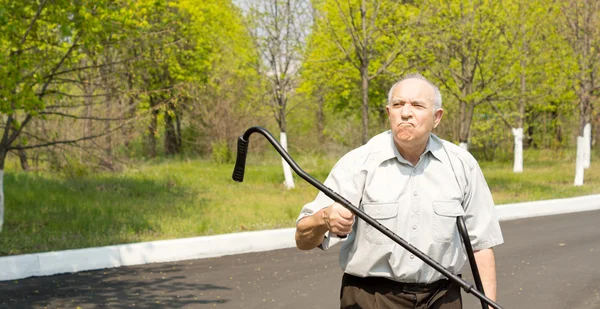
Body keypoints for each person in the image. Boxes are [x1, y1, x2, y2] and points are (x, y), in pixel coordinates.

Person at [295, 73, 504, 309]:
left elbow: (481, 245)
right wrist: (323, 218)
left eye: (416, 105)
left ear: (437, 117)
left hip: (443, 298)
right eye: (398, 104)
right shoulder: (357, 164)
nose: (405, 112)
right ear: (388, 113)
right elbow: (303, 239)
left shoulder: (462, 166)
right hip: (372, 299)